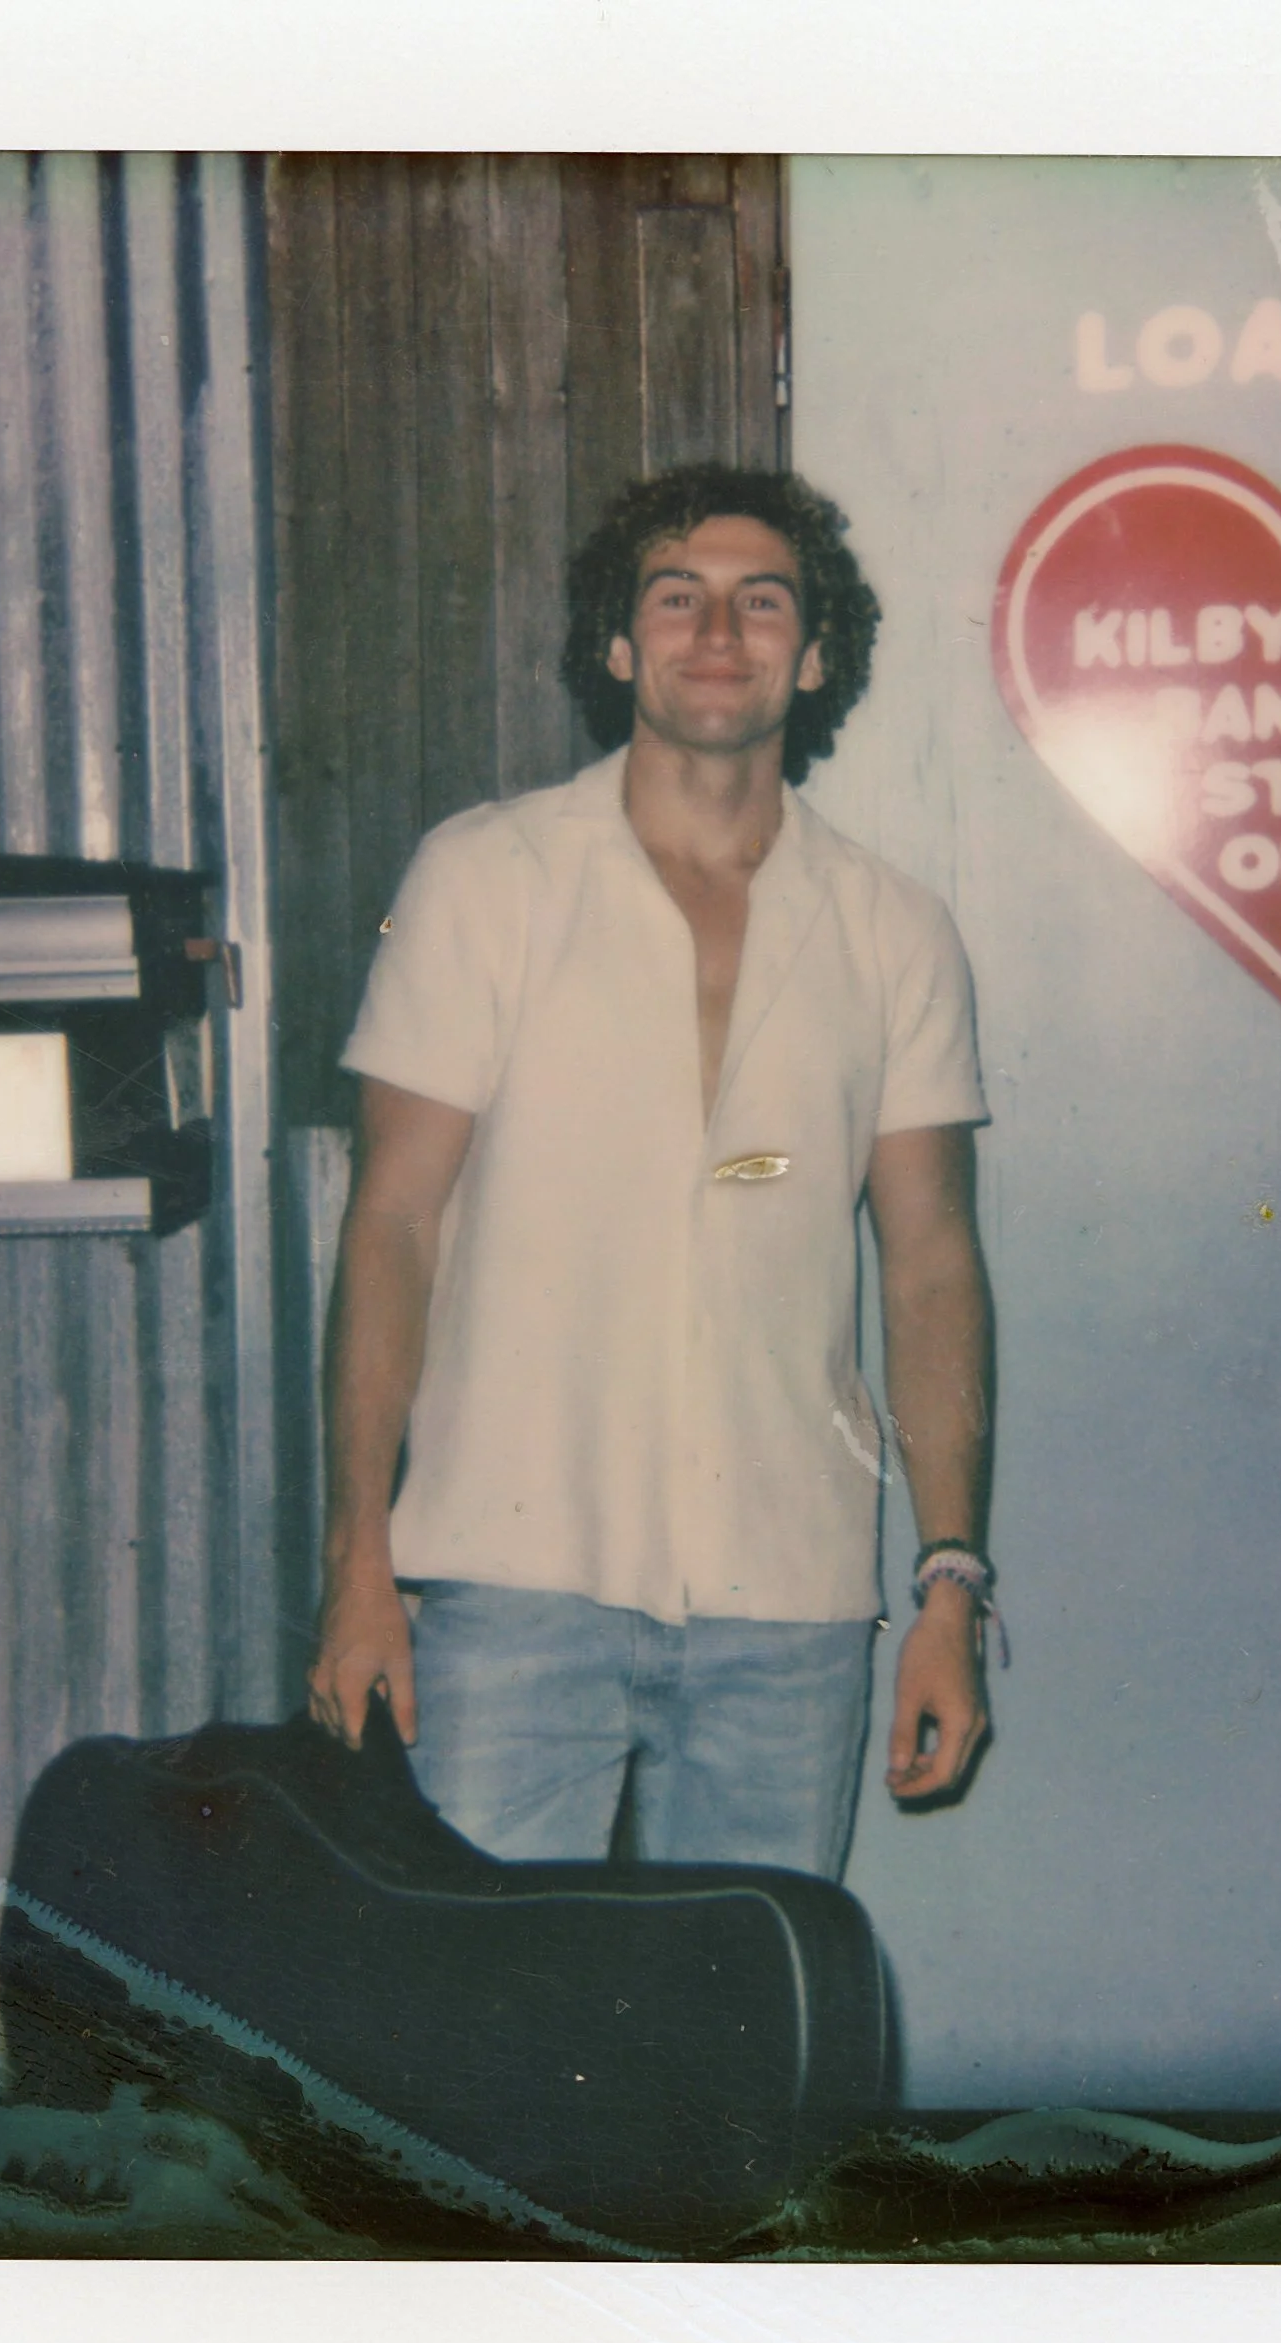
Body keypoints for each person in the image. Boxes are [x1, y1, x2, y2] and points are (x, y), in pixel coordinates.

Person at [304, 462, 996, 1880]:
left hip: (788, 1604)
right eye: (676, 599)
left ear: (815, 654)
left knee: (739, 2064)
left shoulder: (894, 929)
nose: (718, 633)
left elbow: (930, 1266)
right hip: (507, 1589)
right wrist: (358, 1561)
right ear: (619, 645)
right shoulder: (483, 880)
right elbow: (391, 1225)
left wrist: (949, 1584)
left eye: (761, 603)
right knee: (471, 2052)